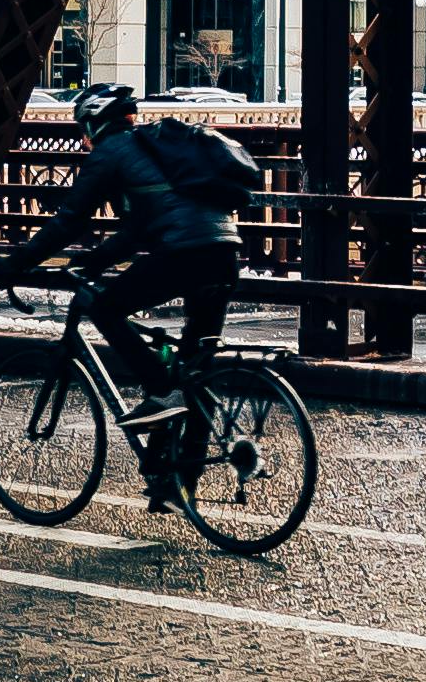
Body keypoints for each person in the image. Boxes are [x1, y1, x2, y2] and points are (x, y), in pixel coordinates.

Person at [23, 84, 255, 481]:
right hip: (223, 253)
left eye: (84, 127)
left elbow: (70, 219)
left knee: (106, 309)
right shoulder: (155, 152)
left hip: (185, 254)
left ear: (96, 123)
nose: (84, 137)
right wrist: (95, 262)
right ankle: (179, 478)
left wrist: (16, 262)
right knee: (195, 366)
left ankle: (160, 389)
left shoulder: (112, 151)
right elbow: (139, 230)